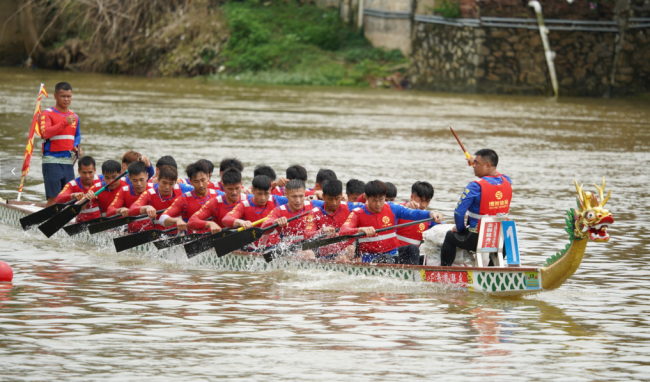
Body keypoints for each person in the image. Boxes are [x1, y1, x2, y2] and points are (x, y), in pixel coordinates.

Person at [339, 180, 443, 265]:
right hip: (370, 257)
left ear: (385, 196)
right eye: (374, 200)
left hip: (394, 254)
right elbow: (343, 231)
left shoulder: (392, 207)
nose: (378, 204)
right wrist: (361, 229)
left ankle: (413, 277)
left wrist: (431, 213)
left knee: (413, 249)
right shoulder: (357, 213)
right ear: (367, 198)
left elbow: (414, 213)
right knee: (387, 259)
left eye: (381, 199)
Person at [441, 149, 512, 266]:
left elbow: (459, 212)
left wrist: (460, 228)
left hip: (477, 238)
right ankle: (492, 271)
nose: (473, 166)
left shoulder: (475, 186)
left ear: (487, 166)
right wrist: (478, 161)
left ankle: (442, 274)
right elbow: (496, 173)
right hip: (501, 239)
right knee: (498, 242)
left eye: (476, 164)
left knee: (450, 236)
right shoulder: (507, 181)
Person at [41, 82, 82, 207]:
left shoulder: (74, 116)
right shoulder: (47, 114)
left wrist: (76, 146)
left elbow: (77, 135)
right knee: (54, 198)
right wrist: (64, 122)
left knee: (68, 197)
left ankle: (63, 224)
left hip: (68, 163)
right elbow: (45, 133)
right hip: (51, 161)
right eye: (63, 96)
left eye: (69, 96)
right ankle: (46, 224)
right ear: (55, 96)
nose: (66, 99)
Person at [159, 161, 221, 233]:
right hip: (192, 239)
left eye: (203, 180)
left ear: (208, 177)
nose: (201, 185)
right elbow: (162, 218)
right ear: (190, 181)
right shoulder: (184, 199)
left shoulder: (219, 196)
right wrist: (177, 220)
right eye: (196, 181)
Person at [259, 179, 319, 253]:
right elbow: (264, 227)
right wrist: (275, 222)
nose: (298, 200)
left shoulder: (314, 205)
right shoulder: (279, 210)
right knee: (307, 253)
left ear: (305, 194)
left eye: (301, 196)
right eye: (294, 196)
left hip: (312, 245)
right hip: (289, 249)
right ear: (286, 194)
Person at [304, 180, 355, 260]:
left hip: (342, 247)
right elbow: (307, 235)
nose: (334, 203)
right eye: (330, 199)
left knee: (351, 249)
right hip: (322, 251)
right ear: (323, 196)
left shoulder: (348, 207)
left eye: (337, 198)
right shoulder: (315, 212)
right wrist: (322, 231)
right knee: (342, 258)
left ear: (341, 195)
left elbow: (366, 206)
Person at [187, 168, 248, 233]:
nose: (234, 192)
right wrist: (210, 224)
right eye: (230, 189)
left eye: (237, 188)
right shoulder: (214, 203)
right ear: (223, 186)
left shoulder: (249, 200)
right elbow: (191, 222)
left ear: (241, 184)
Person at [128, 165, 184, 231]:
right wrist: (146, 207)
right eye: (164, 183)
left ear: (175, 182)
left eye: (171, 184)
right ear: (157, 180)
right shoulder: (149, 194)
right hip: (159, 234)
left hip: (179, 233)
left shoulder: (182, 189)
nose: (167, 187)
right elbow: (131, 210)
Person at [106, 161, 152, 232]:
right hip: (131, 230)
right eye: (135, 180)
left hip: (151, 230)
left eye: (141, 180)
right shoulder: (124, 191)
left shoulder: (155, 189)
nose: (139, 184)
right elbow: (109, 211)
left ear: (147, 176)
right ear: (130, 178)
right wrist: (120, 210)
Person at [55, 156, 102, 222]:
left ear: (95, 170)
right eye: (84, 172)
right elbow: (58, 199)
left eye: (90, 172)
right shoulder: (72, 184)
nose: (87, 176)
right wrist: (72, 196)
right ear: (79, 171)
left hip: (99, 220)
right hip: (81, 222)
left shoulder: (102, 179)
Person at [396, 181, 438, 247]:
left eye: (427, 201)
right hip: (395, 252)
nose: (424, 205)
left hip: (414, 253)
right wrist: (407, 206)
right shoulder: (398, 209)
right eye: (421, 200)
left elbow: (442, 226)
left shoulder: (429, 217)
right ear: (412, 197)